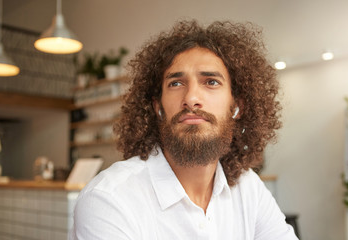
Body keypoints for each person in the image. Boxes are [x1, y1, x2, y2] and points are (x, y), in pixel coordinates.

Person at [70, 20, 299, 240]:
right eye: (176, 84)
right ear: (158, 107)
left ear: (236, 106)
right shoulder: (109, 199)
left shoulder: (248, 188)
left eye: (211, 82)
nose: (191, 98)